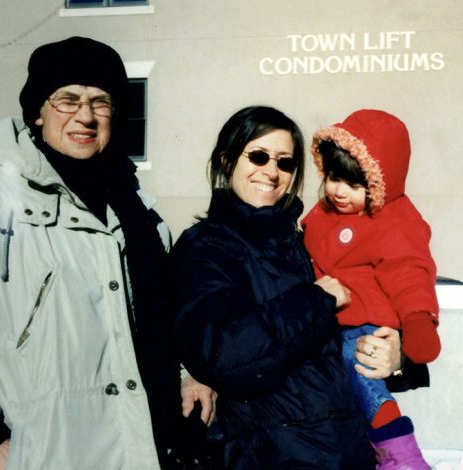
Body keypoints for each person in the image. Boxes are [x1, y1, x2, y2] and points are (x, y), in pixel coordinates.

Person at [0, 36, 214, 469]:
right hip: (43, 454)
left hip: (145, 446)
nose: (85, 116)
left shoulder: (138, 209)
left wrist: (184, 373)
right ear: (38, 111)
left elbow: (150, 320)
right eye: (68, 99)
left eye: (100, 102)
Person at [171, 105, 421, 469]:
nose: (271, 172)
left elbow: (366, 332)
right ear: (226, 161)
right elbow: (228, 354)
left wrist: (398, 360)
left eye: (285, 162)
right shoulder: (204, 248)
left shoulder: (308, 244)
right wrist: (317, 300)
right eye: (258, 156)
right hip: (273, 457)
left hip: (350, 454)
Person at [301, 109, 441, 469]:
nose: (339, 191)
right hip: (331, 322)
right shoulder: (322, 215)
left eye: (354, 184)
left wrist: (416, 320)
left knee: (358, 363)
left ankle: (401, 452)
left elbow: (410, 272)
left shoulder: (395, 222)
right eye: (333, 178)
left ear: (379, 183)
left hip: (366, 323)